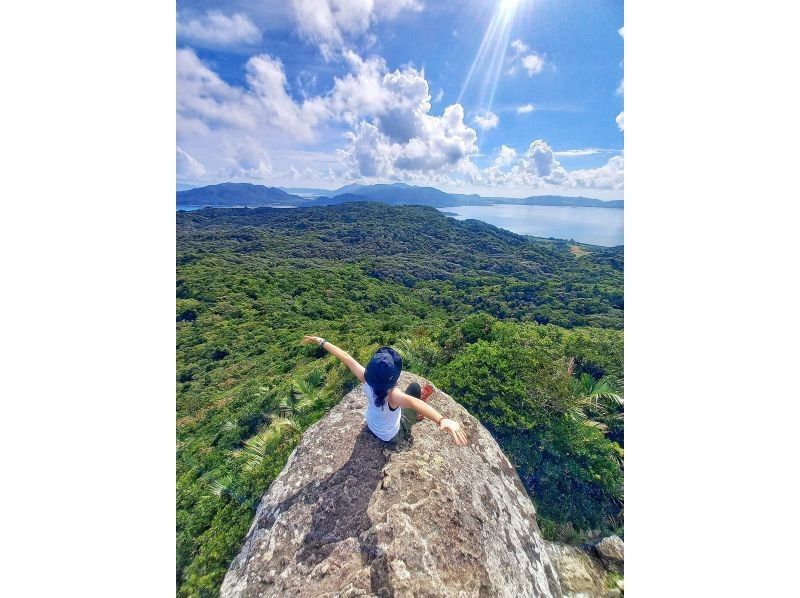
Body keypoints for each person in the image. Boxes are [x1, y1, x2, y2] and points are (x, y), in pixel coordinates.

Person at [301, 336, 468, 446]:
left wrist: (321, 341)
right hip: (391, 436)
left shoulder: (366, 378)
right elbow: (415, 402)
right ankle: (415, 418)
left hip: (371, 425)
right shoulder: (393, 396)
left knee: (407, 396)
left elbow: (345, 357)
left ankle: (411, 415)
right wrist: (441, 420)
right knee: (415, 389)